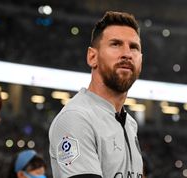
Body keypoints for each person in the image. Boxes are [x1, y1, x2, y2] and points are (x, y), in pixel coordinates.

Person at [48, 11, 144, 178]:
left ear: (141, 60)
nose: (127, 54)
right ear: (93, 57)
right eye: (115, 44)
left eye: (134, 47)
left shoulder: (130, 124)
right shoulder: (76, 118)